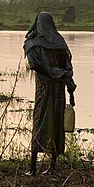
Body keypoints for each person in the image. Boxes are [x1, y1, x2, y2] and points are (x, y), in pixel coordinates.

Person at [23, 12, 76, 175]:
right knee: (55, 124)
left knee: (41, 123)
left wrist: (56, 74)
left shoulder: (32, 43)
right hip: (56, 89)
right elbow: (67, 69)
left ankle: (35, 169)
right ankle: (49, 167)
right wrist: (68, 85)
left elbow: (36, 66)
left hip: (45, 90)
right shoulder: (59, 42)